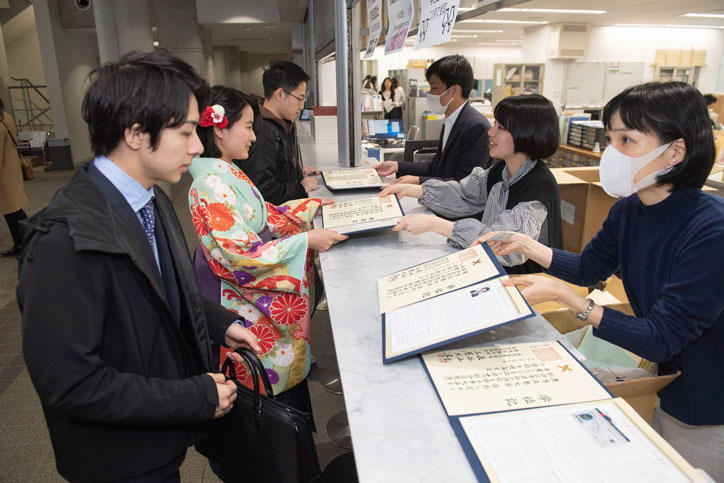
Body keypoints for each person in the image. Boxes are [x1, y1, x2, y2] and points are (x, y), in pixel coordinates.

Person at [17, 51, 262, 482]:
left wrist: (220, 323)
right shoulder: (65, 240)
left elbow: (156, 293)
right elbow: (70, 382)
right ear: (134, 133)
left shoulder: (150, 198)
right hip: (117, 459)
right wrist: (192, 398)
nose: (197, 146)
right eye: (185, 132)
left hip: (157, 441)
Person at [479, 82, 724, 479]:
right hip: (670, 382)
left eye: (627, 140)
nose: (612, 153)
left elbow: (660, 336)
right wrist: (528, 245)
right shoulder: (630, 211)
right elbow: (588, 269)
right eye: (610, 140)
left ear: (675, 152)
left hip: (709, 407)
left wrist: (571, 299)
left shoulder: (711, 229)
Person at [191, 85, 345, 482]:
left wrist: (311, 207)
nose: (253, 136)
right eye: (247, 126)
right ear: (219, 129)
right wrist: (305, 241)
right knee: (269, 413)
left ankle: (294, 461)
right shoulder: (209, 184)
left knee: (283, 408)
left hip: (247, 300)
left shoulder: (224, 174)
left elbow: (266, 216)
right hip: (243, 306)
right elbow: (240, 255)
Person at [379, 94, 562, 274]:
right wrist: (413, 190)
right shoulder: (501, 170)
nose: (490, 132)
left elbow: (506, 245)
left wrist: (435, 224)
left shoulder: (538, 187)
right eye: (494, 124)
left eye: (500, 127)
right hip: (493, 269)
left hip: (526, 281)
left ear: (526, 134)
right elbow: (464, 194)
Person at [374, 55, 492, 185]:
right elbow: (436, 168)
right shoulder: (450, 120)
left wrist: (418, 181)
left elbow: (465, 183)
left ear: (454, 91)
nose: (429, 94)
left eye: (434, 88)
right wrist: (397, 166)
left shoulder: (477, 127)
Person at [236, 60, 319, 205]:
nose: (301, 107)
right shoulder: (262, 131)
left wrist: (297, 174)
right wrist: (300, 188)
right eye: (299, 99)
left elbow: (275, 169)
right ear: (280, 94)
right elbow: (262, 190)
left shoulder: (280, 124)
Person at [0, 98, 28, 257]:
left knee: (12, 210)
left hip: (4, 175)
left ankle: (25, 242)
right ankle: (21, 242)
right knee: (14, 208)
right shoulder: (7, 117)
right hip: (12, 169)